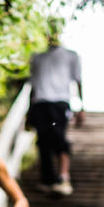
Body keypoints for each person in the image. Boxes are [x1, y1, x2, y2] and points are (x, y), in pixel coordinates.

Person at [28, 25, 84, 196]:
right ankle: (47, 179)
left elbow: (78, 81)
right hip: (40, 103)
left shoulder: (71, 56)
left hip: (59, 103)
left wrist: (81, 107)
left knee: (59, 138)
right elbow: (33, 86)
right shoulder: (36, 58)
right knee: (43, 141)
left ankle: (63, 177)